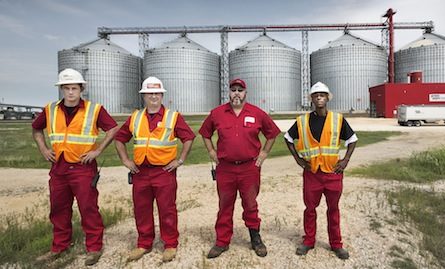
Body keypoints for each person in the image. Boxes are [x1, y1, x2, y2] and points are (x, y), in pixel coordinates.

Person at [32, 68, 119, 266]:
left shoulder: (94, 109)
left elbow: (113, 128)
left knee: (88, 209)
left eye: (74, 88)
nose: (71, 92)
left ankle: (94, 248)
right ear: (61, 89)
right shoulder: (50, 109)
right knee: (58, 209)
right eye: (67, 88)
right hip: (59, 168)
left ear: (81, 89)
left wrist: (97, 151)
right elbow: (36, 128)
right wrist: (44, 149)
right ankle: (59, 247)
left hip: (83, 167)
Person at [114, 76, 195, 263]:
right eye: (150, 93)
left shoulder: (172, 117)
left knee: (167, 209)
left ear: (162, 95)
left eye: (157, 93)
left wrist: (180, 160)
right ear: (144, 96)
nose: (153, 97)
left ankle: (170, 244)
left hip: (164, 171)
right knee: (141, 209)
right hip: (140, 172)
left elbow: (189, 137)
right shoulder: (135, 117)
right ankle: (144, 243)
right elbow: (120, 138)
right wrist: (126, 160)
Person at [199, 78, 281, 259]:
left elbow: (272, 133)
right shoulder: (217, 113)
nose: (236, 93)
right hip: (225, 169)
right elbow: (205, 133)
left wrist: (264, 154)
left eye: (240, 90)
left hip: (249, 168)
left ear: (245, 93)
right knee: (225, 205)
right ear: (228, 92)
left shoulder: (257, 113)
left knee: (250, 205)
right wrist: (211, 151)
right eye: (233, 89)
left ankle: (255, 238)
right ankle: (222, 242)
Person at [284, 82, 358, 260]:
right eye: (316, 95)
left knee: (333, 209)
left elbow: (352, 139)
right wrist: (298, 159)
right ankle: (308, 241)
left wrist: (346, 160)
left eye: (322, 95)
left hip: (333, 173)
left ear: (327, 98)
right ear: (311, 99)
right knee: (310, 209)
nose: (319, 97)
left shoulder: (337, 119)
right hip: (312, 174)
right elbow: (287, 138)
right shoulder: (302, 121)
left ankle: (336, 244)